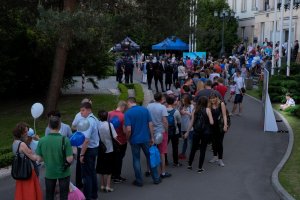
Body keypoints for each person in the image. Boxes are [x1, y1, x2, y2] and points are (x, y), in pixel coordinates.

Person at [124, 97, 161, 186]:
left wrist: (127, 138)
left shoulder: (128, 113)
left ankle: (139, 181)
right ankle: (156, 178)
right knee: (150, 157)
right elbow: (150, 124)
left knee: (136, 159)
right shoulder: (145, 110)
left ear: (129, 103)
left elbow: (128, 129)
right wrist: (152, 137)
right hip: (145, 138)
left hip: (134, 140)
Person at [36, 116, 73, 200]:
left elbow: (39, 159)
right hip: (64, 172)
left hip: (50, 172)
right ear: (59, 125)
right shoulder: (65, 139)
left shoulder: (42, 140)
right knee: (64, 195)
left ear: (49, 126)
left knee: (49, 195)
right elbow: (70, 159)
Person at [12, 122, 43, 200]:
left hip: (20, 171)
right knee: (30, 192)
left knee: (23, 192)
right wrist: (42, 157)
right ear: (20, 133)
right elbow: (33, 157)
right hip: (28, 171)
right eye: (25, 131)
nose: (27, 133)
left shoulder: (14, 143)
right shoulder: (22, 144)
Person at [184, 96, 214, 173]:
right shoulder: (207, 110)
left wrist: (187, 132)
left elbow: (191, 122)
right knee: (203, 150)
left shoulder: (195, 110)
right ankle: (200, 168)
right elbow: (211, 122)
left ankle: (189, 165)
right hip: (205, 132)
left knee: (193, 148)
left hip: (196, 131)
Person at [147, 93, 171, 178]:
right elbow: (165, 121)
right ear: (161, 99)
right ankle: (163, 172)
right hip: (161, 131)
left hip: (151, 131)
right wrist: (167, 130)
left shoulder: (149, 106)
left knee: (150, 151)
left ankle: (149, 170)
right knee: (162, 152)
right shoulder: (162, 107)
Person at [78, 102, 100, 199]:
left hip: (88, 150)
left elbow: (86, 140)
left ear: (88, 110)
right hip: (94, 148)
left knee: (87, 175)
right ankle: (94, 194)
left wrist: (82, 154)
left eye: (82, 110)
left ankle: (88, 196)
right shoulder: (95, 118)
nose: (81, 113)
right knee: (92, 172)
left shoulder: (88, 121)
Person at [72, 98, 92, 189]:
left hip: (82, 143)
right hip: (84, 143)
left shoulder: (80, 115)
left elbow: (73, 126)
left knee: (80, 164)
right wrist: (80, 130)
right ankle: (83, 182)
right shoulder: (80, 115)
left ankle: (80, 182)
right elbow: (73, 127)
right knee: (83, 163)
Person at [96, 110, 118, 192]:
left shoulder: (97, 125)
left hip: (100, 148)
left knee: (101, 167)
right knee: (109, 169)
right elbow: (115, 136)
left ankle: (102, 185)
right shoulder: (110, 125)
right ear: (107, 116)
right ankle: (108, 186)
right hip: (109, 148)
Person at [108, 101, 128, 184]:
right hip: (121, 141)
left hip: (111, 140)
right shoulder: (123, 116)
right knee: (119, 159)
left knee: (113, 158)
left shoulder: (109, 113)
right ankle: (117, 176)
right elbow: (124, 130)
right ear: (123, 107)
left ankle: (112, 174)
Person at [208, 93, 228, 167]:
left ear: (216, 98)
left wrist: (225, 125)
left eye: (214, 98)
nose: (212, 100)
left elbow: (224, 115)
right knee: (213, 142)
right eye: (211, 98)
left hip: (220, 126)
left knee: (219, 143)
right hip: (212, 127)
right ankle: (215, 157)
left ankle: (220, 159)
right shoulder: (209, 105)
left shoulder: (221, 104)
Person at [166, 96, 182, 167]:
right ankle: (176, 162)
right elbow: (179, 122)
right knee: (175, 147)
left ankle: (165, 161)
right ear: (173, 102)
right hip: (175, 131)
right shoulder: (176, 111)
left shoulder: (163, 110)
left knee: (164, 147)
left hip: (166, 131)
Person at [179, 94, 194, 160]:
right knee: (184, 140)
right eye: (182, 100)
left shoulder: (191, 106)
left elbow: (193, 117)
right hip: (183, 126)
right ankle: (183, 153)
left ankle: (191, 155)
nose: (183, 102)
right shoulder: (181, 107)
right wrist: (180, 112)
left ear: (187, 101)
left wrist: (186, 112)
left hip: (190, 127)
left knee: (190, 141)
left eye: (184, 101)